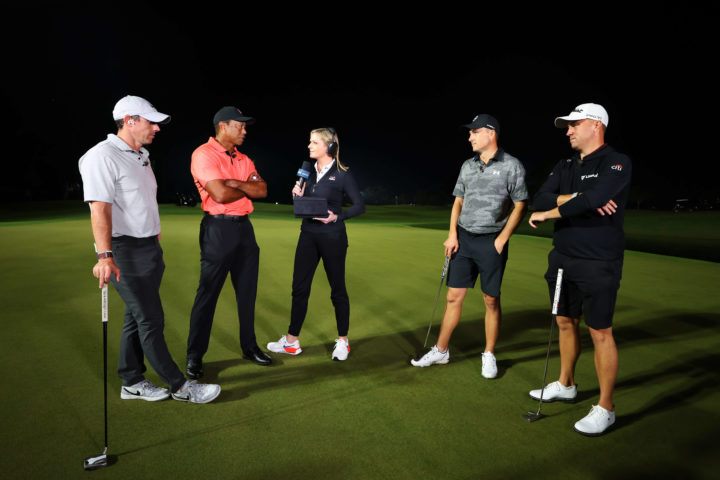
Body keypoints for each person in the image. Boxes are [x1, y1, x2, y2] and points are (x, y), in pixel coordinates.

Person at [78, 95, 221, 404]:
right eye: (150, 121)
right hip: (122, 251)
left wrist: (153, 241)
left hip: (148, 249)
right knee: (151, 319)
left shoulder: (140, 155)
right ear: (130, 120)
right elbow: (99, 210)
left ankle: (131, 381)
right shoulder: (101, 157)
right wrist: (104, 256)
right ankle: (180, 387)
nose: (156, 128)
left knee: (136, 316)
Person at [527, 103, 631, 436]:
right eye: (567, 126)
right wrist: (574, 196)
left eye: (575, 124)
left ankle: (605, 407)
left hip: (599, 260)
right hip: (562, 258)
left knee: (600, 331)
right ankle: (566, 383)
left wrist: (550, 212)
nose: (568, 130)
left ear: (596, 125)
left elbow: (593, 198)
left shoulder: (617, 162)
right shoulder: (565, 164)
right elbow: (539, 198)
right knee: (564, 322)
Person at [412, 114, 528, 378]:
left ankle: (489, 354)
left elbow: (521, 205)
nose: (470, 137)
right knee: (453, 296)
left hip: (492, 241)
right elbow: (458, 202)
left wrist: (502, 239)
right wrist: (452, 234)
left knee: (490, 300)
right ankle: (441, 350)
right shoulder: (467, 165)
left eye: (474, 132)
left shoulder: (512, 165)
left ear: (490, 133)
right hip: (463, 239)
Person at [185, 106, 271, 379]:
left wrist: (236, 183)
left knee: (247, 294)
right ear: (223, 126)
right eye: (240, 126)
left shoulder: (244, 159)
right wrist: (242, 186)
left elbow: (263, 190)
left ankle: (249, 346)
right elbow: (220, 194)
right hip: (217, 231)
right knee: (207, 294)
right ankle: (195, 356)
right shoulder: (203, 154)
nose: (244, 130)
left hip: (245, 231)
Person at [267, 127, 365, 361]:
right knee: (299, 288)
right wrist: (297, 197)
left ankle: (343, 341)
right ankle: (291, 342)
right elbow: (307, 207)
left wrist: (337, 217)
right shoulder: (308, 174)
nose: (309, 146)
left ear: (329, 147)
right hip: (308, 234)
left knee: (337, 290)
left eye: (314, 142)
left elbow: (359, 206)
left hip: (333, 236)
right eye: (309, 142)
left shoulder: (342, 174)